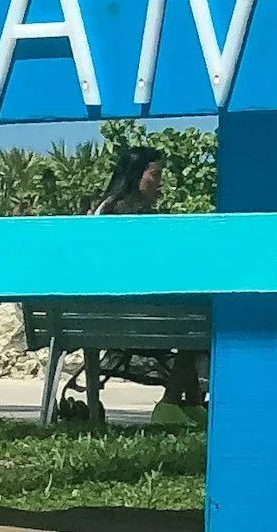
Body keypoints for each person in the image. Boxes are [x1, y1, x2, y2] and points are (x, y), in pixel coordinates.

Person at [90, 144, 205, 417]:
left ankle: (190, 405)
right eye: (155, 174)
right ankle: (172, 402)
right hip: (145, 323)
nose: (160, 183)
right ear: (135, 175)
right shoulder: (140, 218)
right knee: (199, 321)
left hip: (93, 322)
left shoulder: (98, 212)